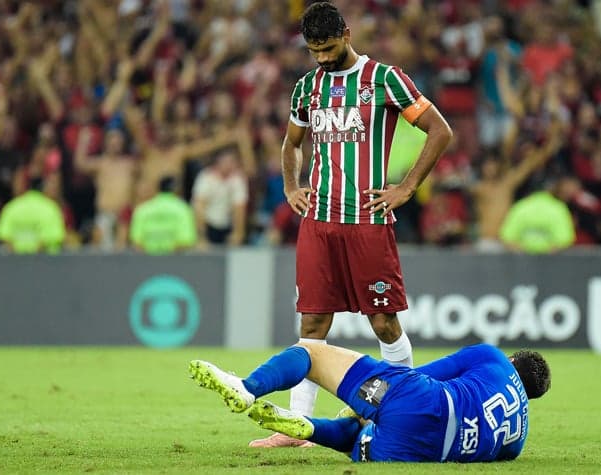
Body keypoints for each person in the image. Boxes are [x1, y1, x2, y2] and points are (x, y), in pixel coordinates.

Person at [258, 1, 453, 447]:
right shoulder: (307, 87)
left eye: (328, 48)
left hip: (367, 221)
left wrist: (406, 187)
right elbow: (291, 144)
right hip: (319, 222)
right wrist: (292, 185)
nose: (322, 58)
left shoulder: (385, 79)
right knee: (312, 326)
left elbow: (440, 130)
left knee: (383, 322)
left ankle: (409, 413)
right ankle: (297, 428)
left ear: (346, 33)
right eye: (314, 51)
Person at [189, 341, 551, 462]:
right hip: (417, 451)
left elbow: (430, 372)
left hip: (419, 400)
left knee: (311, 353)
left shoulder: (494, 358)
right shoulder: (517, 441)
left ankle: (248, 387)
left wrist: (367, 398)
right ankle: (310, 429)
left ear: (513, 361)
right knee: (357, 435)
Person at [0, 171, 66, 254]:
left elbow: (4, 237)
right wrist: (33, 260)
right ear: (43, 188)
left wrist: (17, 260)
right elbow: (50, 238)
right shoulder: (51, 208)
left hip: (15, 264)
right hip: (45, 264)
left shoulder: (11, 207)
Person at [499, 177, 576, 254]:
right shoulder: (558, 208)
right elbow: (565, 240)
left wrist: (525, 255)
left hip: (523, 263)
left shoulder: (520, 206)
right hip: (551, 262)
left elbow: (507, 238)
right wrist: (545, 255)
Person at [129, 176, 197, 255]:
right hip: (174, 262)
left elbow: (136, 242)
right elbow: (185, 242)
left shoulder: (142, 209)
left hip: (147, 263)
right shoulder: (183, 209)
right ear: (177, 190)